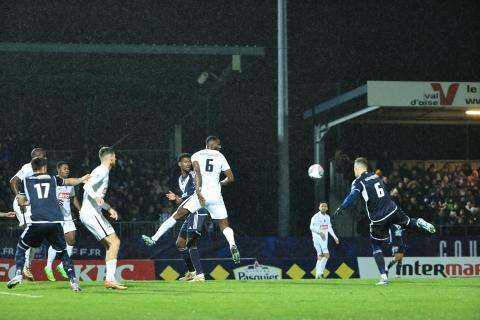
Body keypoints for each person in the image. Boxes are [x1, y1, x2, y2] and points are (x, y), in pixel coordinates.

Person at [141, 136, 240, 275]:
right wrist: (219, 184)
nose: (220, 146)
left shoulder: (197, 155)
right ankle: (232, 245)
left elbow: (198, 173)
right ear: (212, 142)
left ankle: (154, 239)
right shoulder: (220, 156)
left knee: (178, 220)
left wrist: (198, 190)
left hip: (200, 198)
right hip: (216, 196)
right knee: (223, 225)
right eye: (218, 143)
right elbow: (231, 178)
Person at [334, 157, 435, 285]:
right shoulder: (375, 176)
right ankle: (419, 222)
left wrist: (342, 206)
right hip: (392, 208)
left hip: (378, 217)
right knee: (409, 222)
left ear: (357, 168)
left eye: (354, 168)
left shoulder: (358, 181)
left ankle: (384, 277)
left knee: (376, 245)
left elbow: (353, 195)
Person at [7, 157, 88, 291]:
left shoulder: (26, 181)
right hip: (55, 222)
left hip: (37, 222)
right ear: (44, 167)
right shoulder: (53, 179)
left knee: (21, 247)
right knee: (63, 253)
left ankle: (18, 275)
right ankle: (73, 282)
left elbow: (21, 202)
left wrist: (29, 202)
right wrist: (81, 179)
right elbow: (69, 182)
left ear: (33, 168)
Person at [142, 153, 210, 282]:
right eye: (185, 162)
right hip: (190, 209)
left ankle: (200, 275)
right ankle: (192, 272)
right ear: (179, 164)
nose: (188, 164)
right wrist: (176, 198)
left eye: (189, 162)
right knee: (180, 243)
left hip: (198, 209)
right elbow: (184, 199)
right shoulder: (180, 179)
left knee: (190, 242)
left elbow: (197, 191)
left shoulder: (193, 175)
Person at [80, 147, 127, 290]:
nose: (116, 159)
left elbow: (97, 197)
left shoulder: (102, 171)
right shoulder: (101, 171)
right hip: (91, 213)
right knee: (115, 242)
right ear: (110, 158)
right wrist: (96, 197)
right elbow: (86, 185)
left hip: (93, 212)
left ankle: (110, 280)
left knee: (110, 245)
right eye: (115, 157)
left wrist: (108, 208)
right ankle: (110, 279)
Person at [9, 147, 47, 280]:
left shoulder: (40, 170)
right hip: (23, 204)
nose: (46, 158)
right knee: (31, 233)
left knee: (35, 237)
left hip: (32, 205)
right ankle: (23, 267)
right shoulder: (28, 167)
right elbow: (13, 181)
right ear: (38, 157)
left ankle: (26, 266)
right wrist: (19, 196)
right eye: (44, 156)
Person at [44, 161, 81, 281]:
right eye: (65, 169)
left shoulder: (70, 183)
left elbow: (72, 198)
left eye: (68, 169)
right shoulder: (53, 181)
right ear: (58, 170)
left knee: (71, 240)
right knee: (57, 242)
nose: (67, 170)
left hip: (68, 216)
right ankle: (48, 267)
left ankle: (61, 266)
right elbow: (45, 197)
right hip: (55, 216)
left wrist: (80, 210)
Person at [310, 202, 339, 279]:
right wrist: (319, 232)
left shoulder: (327, 217)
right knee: (327, 255)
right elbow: (311, 227)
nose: (323, 207)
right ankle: (320, 272)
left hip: (324, 239)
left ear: (327, 208)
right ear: (319, 208)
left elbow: (329, 228)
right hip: (317, 238)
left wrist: (335, 237)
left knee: (320, 256)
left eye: (325, 206)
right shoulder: (315, 217)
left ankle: (317, 275)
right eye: (322, 206)